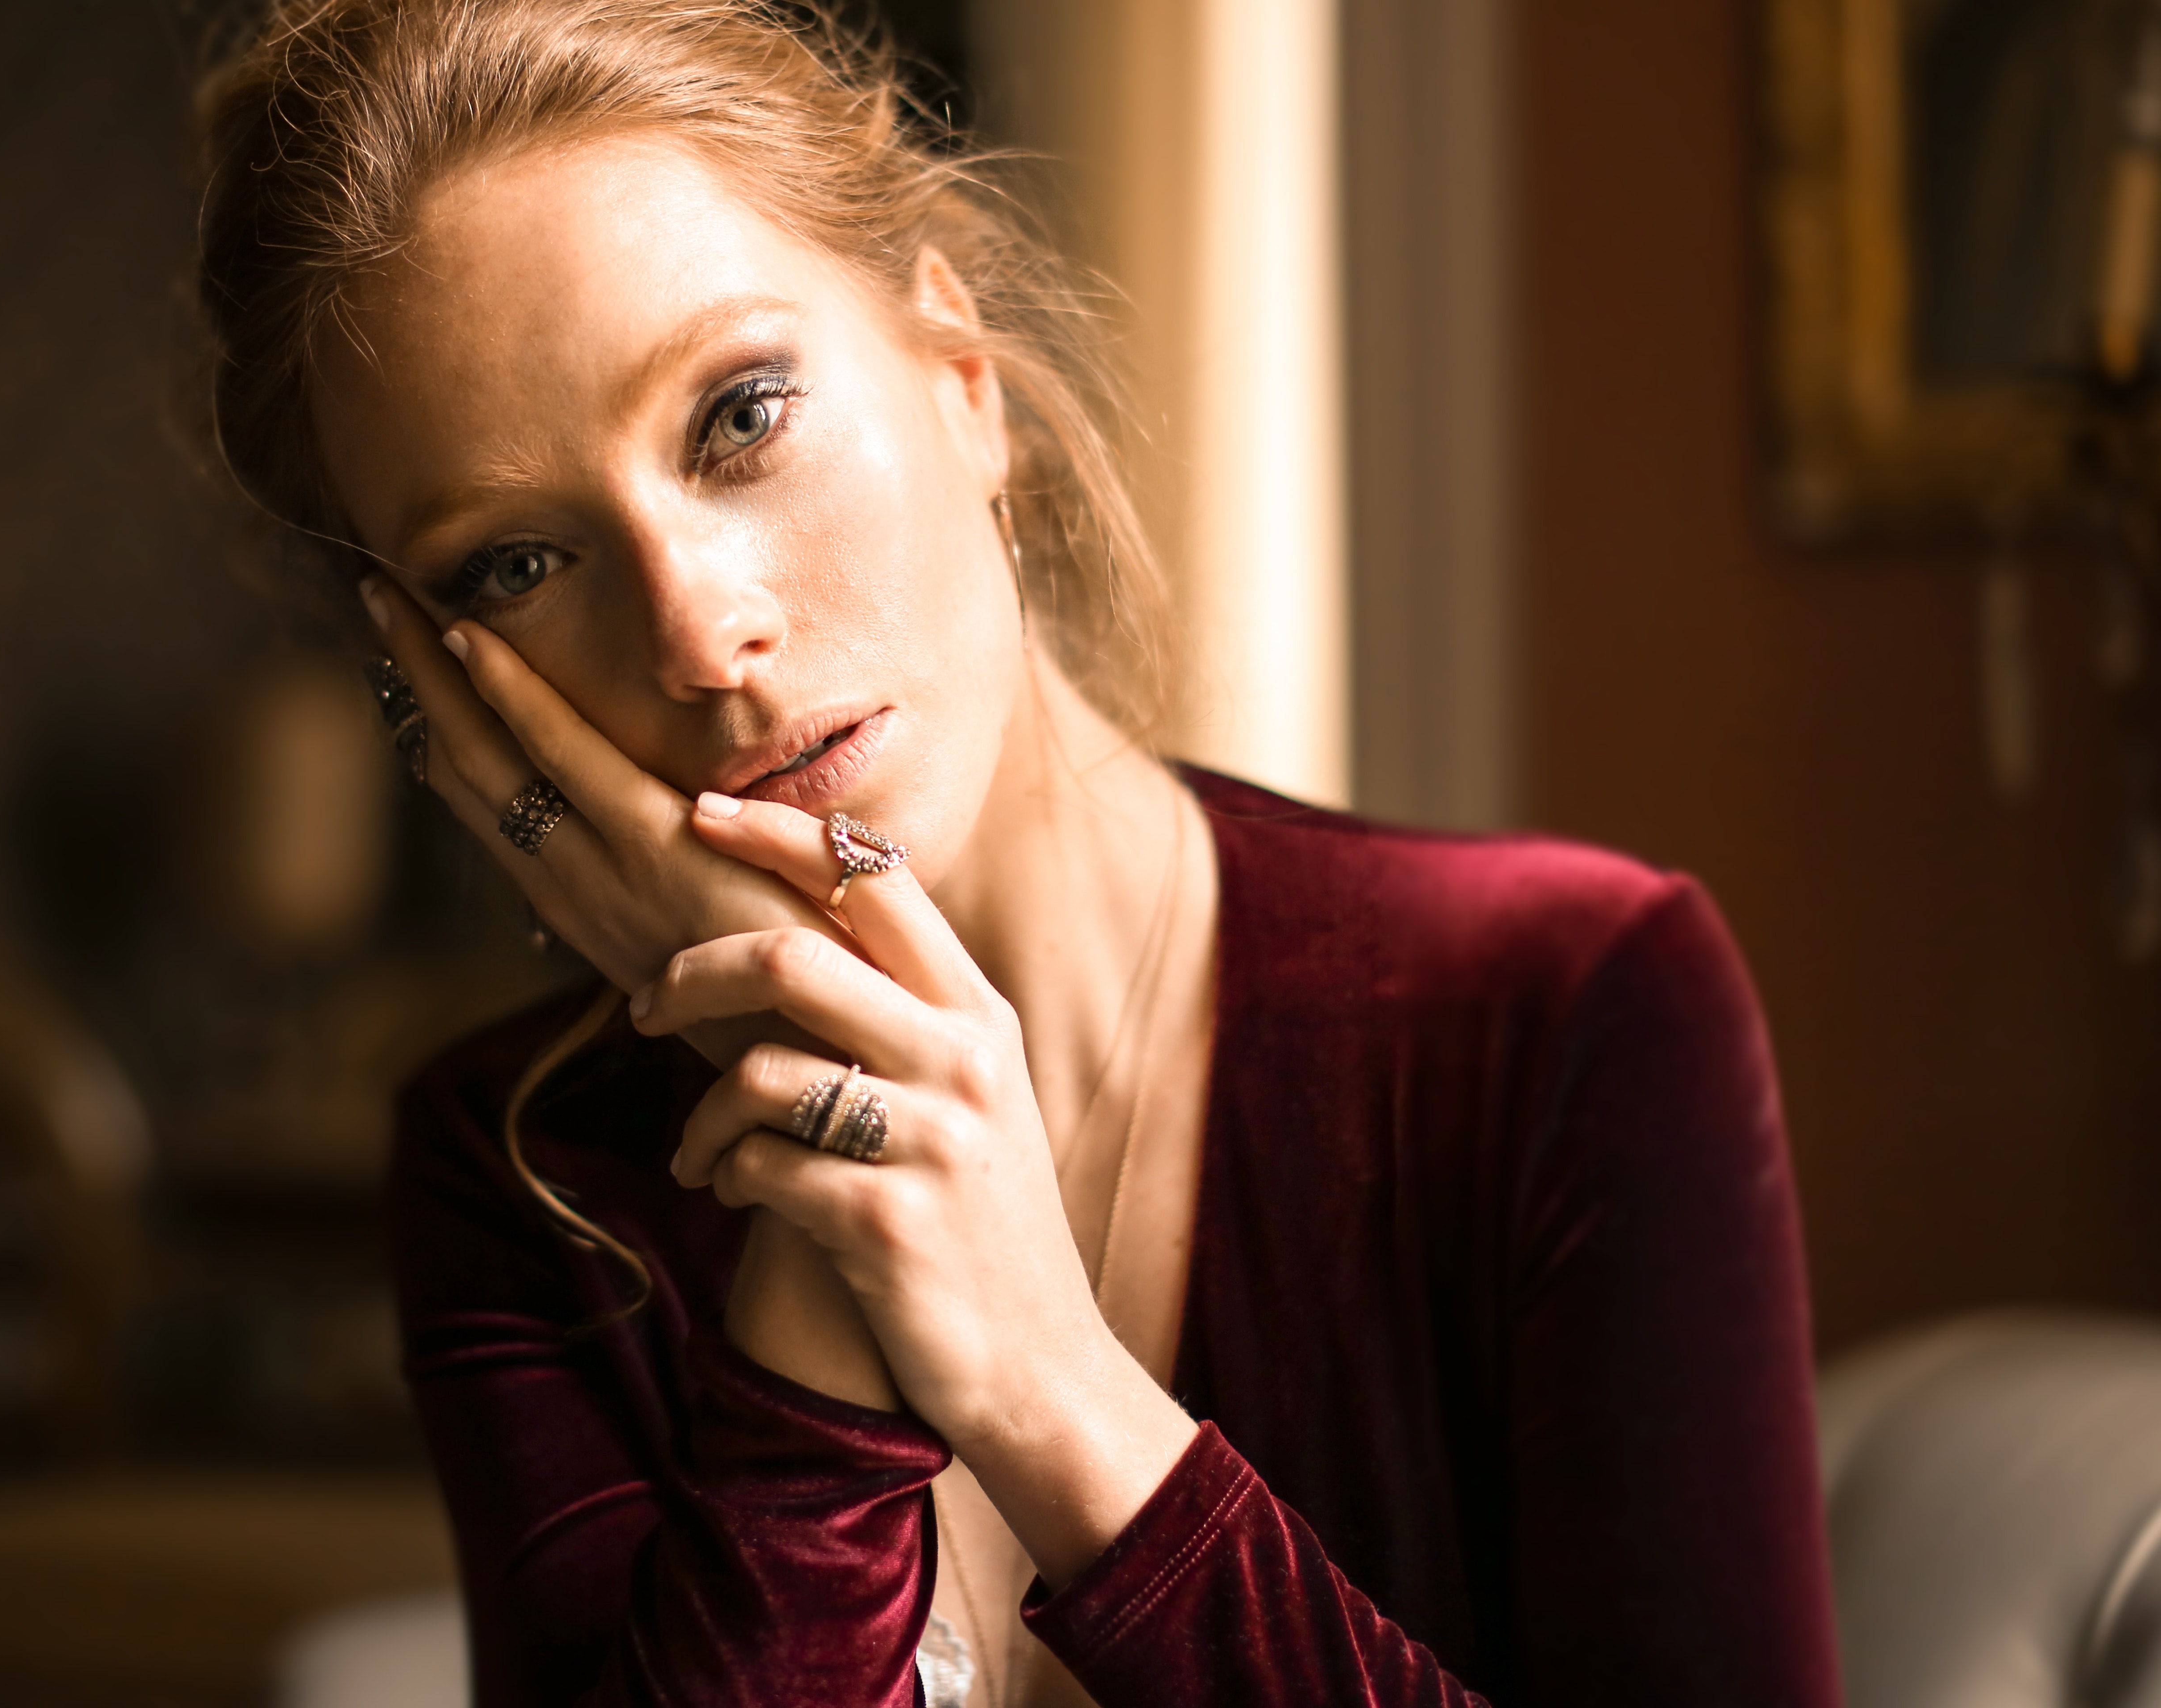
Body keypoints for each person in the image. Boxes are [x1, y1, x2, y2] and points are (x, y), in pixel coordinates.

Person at [193, 3, 1843, 1703]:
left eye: (740, 417)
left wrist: (1054, 1396)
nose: (697, 634)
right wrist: (832, 1172)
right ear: (442, 695)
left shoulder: (1563, 1006)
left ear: (961, 379)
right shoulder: (520, 1168)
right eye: (517, 565)